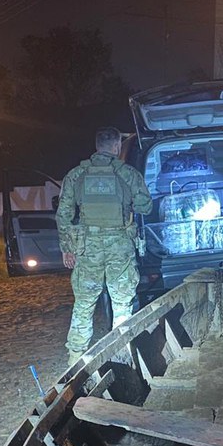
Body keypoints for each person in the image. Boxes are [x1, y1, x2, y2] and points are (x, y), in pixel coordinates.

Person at [56, 126, 153, 367]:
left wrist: (67, 248)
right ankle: (120, 354)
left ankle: (76, 358)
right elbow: (145, 207)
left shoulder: (76, 175)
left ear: (97, 145)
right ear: (117, 146)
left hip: (87, 248)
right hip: (119, 245)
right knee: (122, 302)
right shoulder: (128, 174)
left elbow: (63, 215)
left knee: (84, 302)